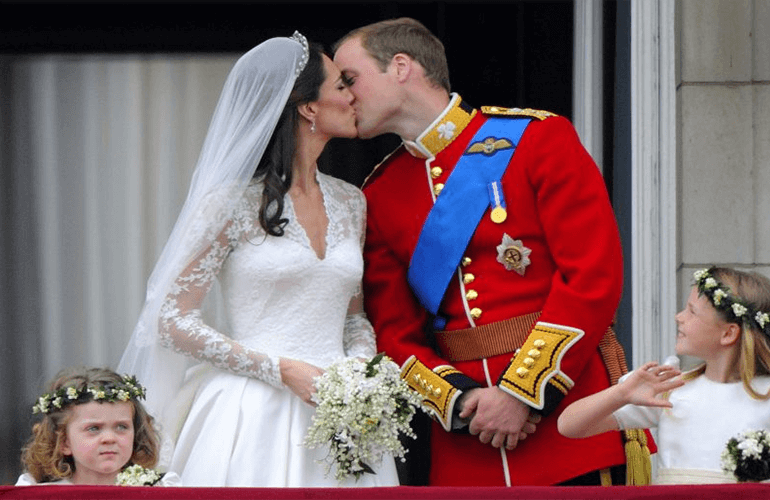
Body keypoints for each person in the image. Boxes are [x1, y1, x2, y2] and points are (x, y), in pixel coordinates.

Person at [333, 18, 642, 486]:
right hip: (466, 443)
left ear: (400, 67)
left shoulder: (538, 139)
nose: (343, 96)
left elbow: (592, 278)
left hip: (568, 423)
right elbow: (393, 332)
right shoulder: (379, 192)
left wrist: (521, 393)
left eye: (349, 79)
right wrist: (459, 399)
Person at [117, 32, 398, 487]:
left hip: (342, 415)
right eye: (341, 86)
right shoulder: (229, 203)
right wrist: (281, 369)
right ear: (308, 107)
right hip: (252, 411)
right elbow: (170, 319)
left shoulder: (351, 202)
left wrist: (358, 375)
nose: (353, 96)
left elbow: (353, 318)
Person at [559, 267, 770, 484]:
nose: (679, 317)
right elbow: (569, 426)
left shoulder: (766, 396)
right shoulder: (670, 390)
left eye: (692, 311)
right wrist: (621, 393)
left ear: (728, 334)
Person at [16, 366, 180, 486]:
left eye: (121, 427)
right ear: (64, 442)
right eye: (93, 428)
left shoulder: (161, 488)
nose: (109, 438)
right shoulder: (38, 493)